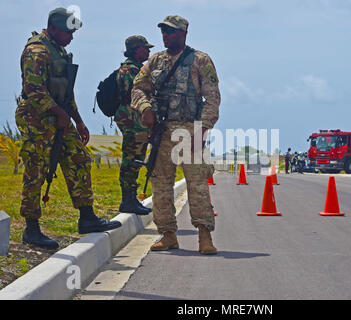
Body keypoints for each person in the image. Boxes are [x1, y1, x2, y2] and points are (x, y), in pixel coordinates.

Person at [15, 8, 121, 250]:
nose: (71, 37)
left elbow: (65, 91)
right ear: (53, 28)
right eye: (67, 32)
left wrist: (78, 120)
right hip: (36, 117)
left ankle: (87, 217)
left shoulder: (58, 50)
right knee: (36, 170)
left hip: (58, 116)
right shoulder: (37, 51)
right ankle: (31, 229)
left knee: (79, 158)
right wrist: (60, 115)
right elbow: (34, 91)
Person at [131, 15, 221, 254]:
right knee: (160, 183)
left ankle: (204, 235)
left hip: (191, 130)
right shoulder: (155, 61)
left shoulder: (200, 60)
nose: (165, 36)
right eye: (163, 32)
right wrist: (145, 107)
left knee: (197, 184)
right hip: (162, 131)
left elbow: (212, 98)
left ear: (183, 34)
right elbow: (138, 87)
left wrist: (202, 130)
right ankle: (168, 234)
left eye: (170, 32)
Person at [114, 36, 154, 215]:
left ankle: (131, 198)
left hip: (136, 120)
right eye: (145, 48)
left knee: (136, 158)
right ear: (135, 50)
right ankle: (127, 200)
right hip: (131, 120)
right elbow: (136, 94)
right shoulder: (130, 70)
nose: (148, 51)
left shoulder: (137, 69)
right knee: (131, 158)